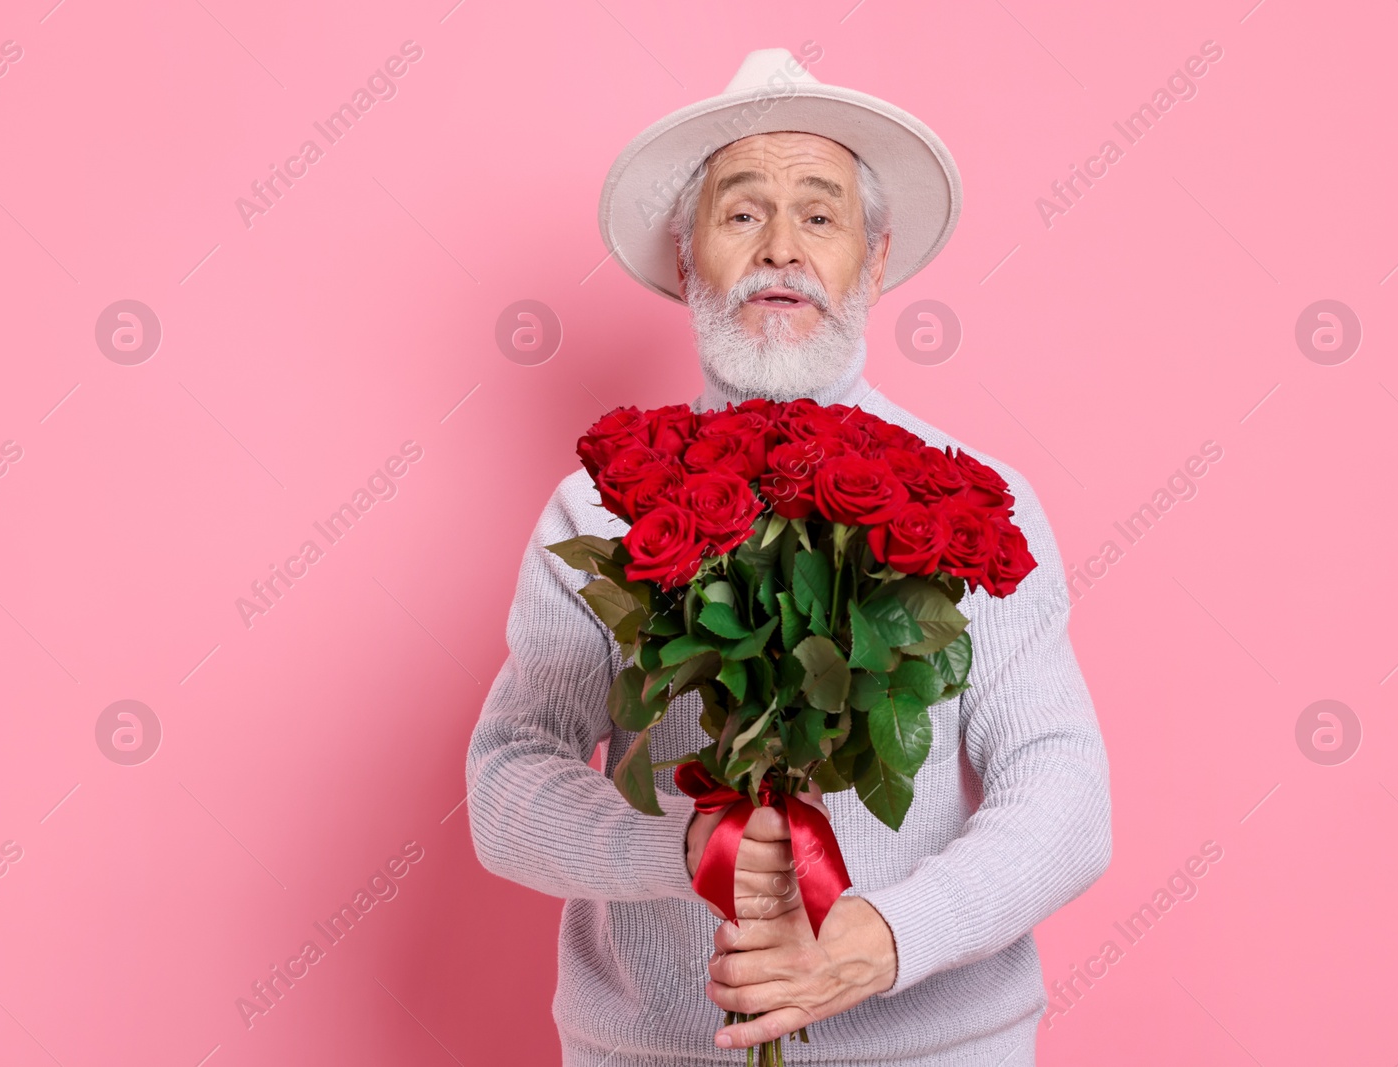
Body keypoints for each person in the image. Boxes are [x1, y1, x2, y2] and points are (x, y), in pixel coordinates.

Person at [466, 47, 1112, 1066]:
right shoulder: (592, 510)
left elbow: (1063, 790)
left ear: (875, 259)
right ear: (686, 264)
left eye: (819, 215)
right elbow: (508, 784)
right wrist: (683, 846)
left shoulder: (970, 504)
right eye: (739, 214)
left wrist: (890, 936)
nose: (781, 249)